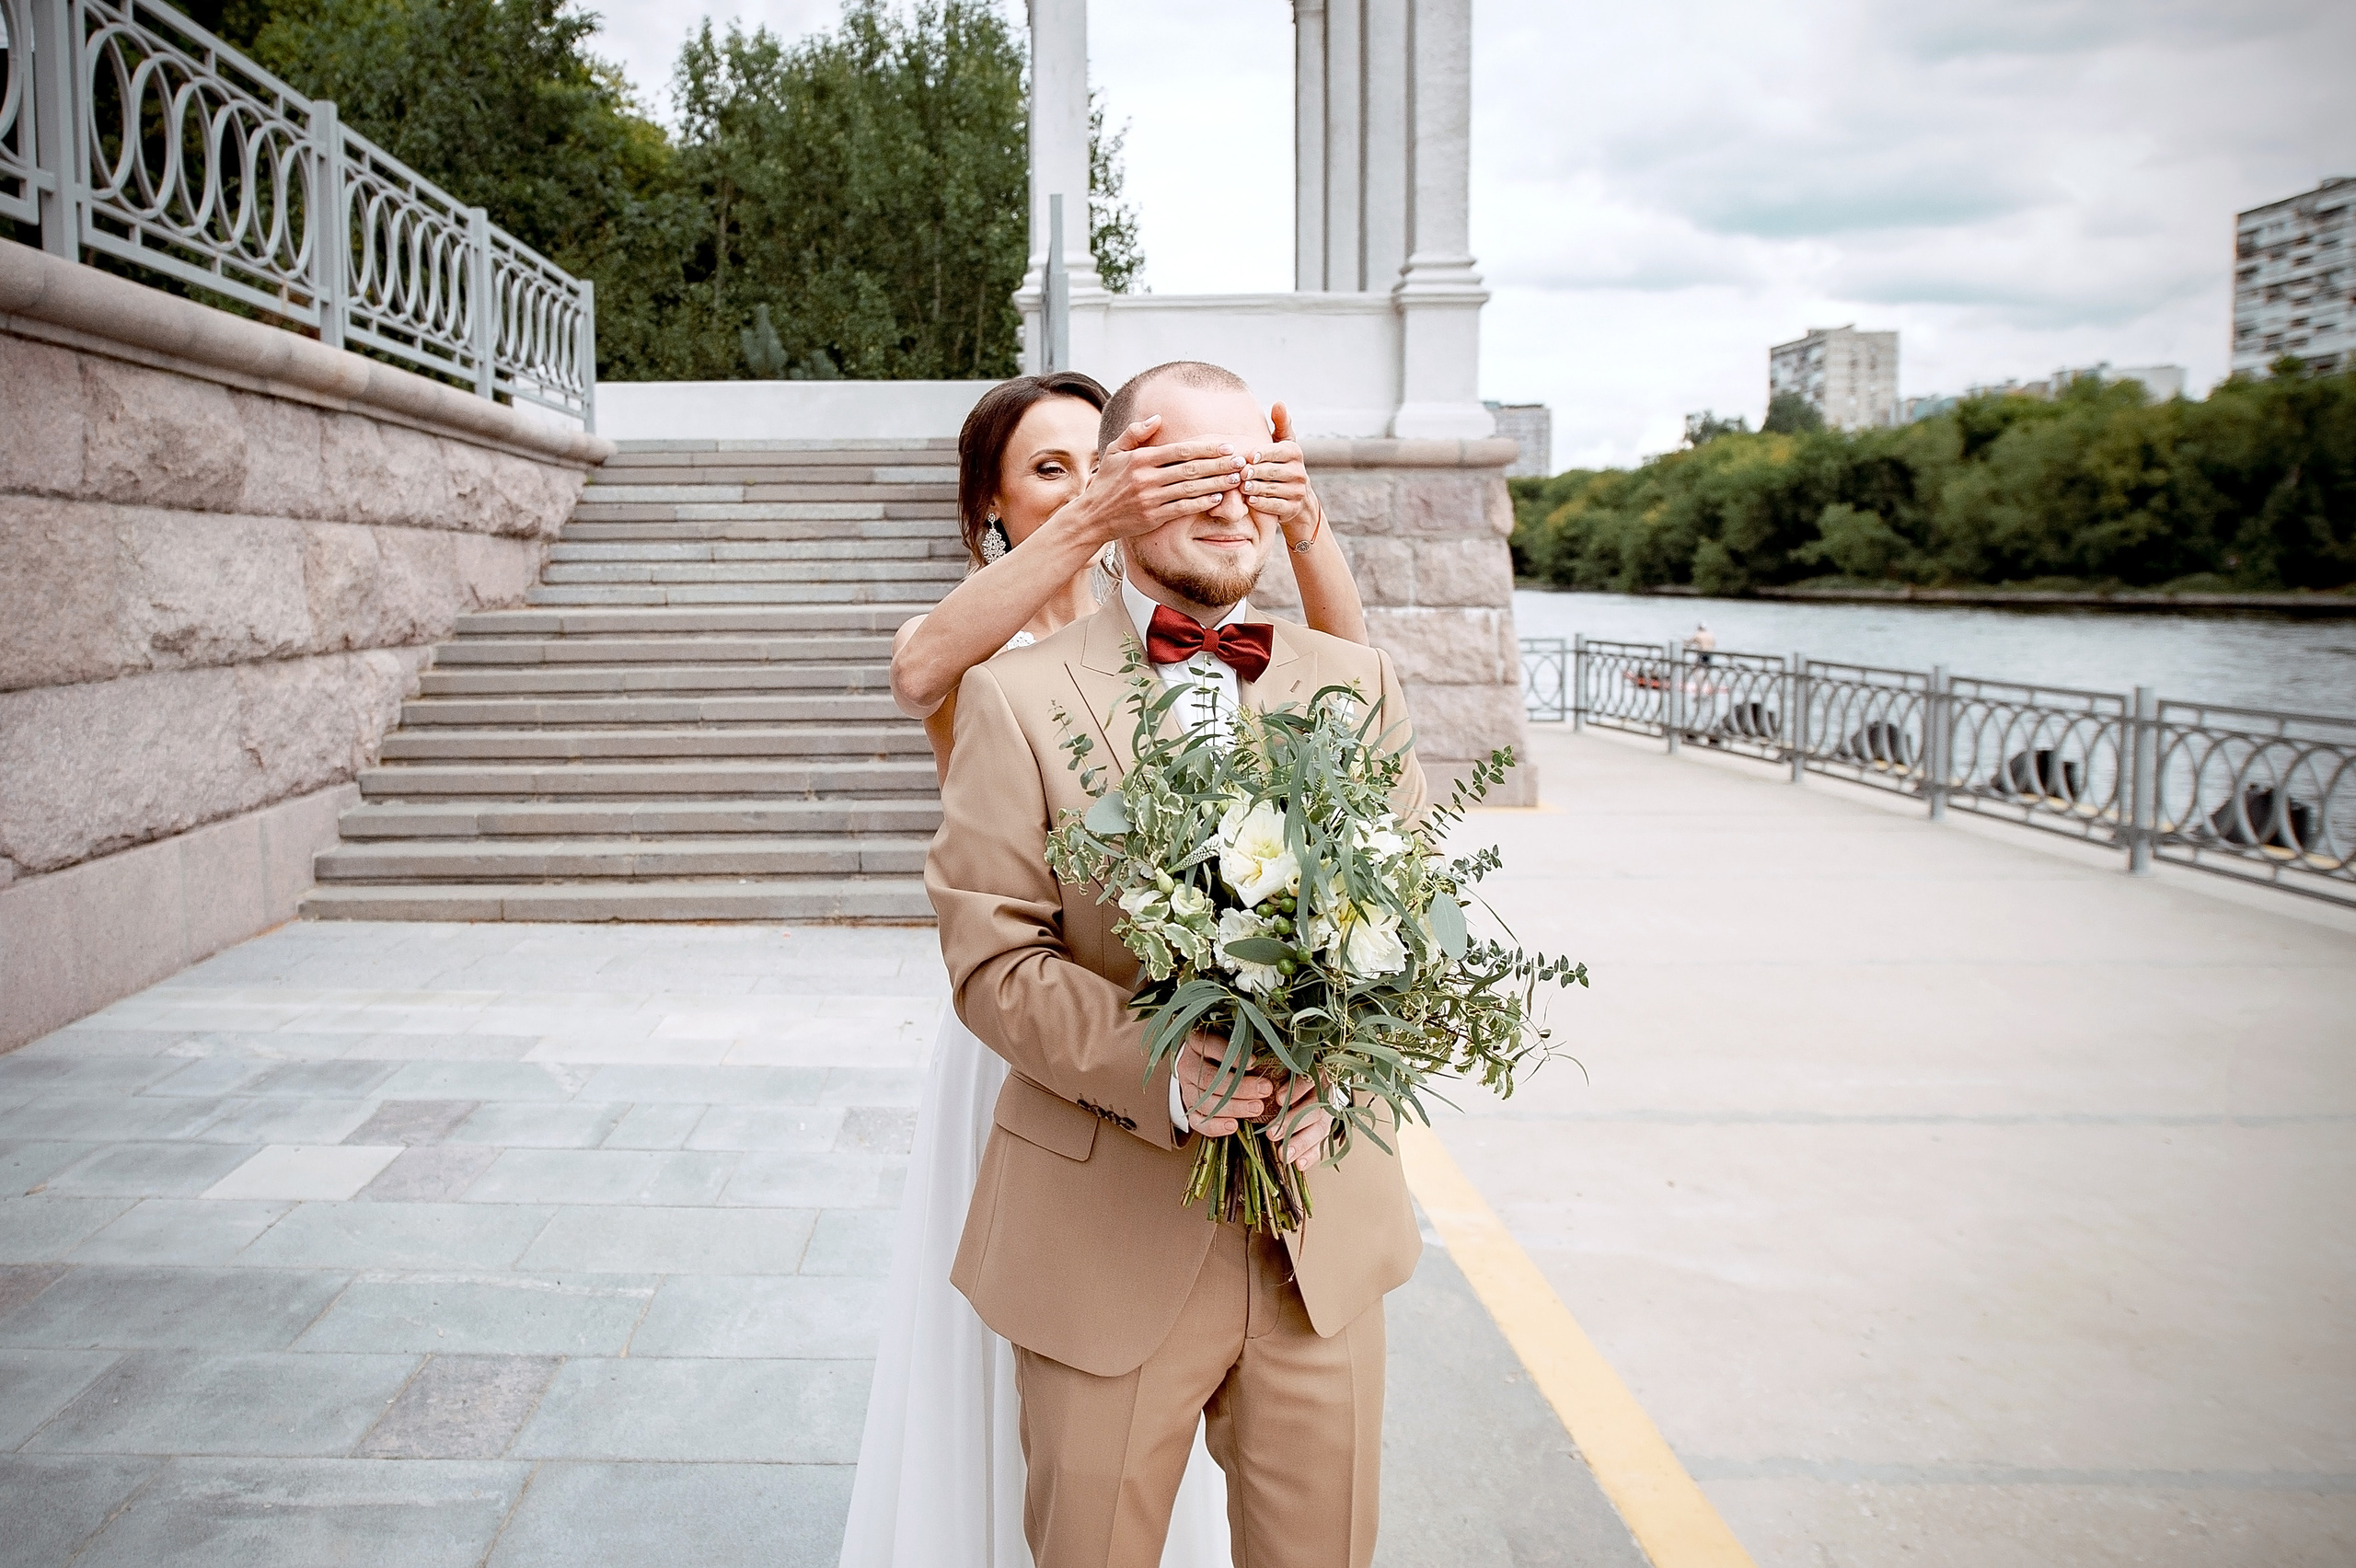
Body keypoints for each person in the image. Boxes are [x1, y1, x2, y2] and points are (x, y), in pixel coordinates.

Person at [838, 365, 1375, 1568]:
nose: (1102, 486)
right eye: (1058, 470)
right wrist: (1106, 515)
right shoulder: (1000, 656)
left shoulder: (1213, 636)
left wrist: (1298, 521)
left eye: (1113, 457)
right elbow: (922, 675)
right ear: (992, 505)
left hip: (1255, 1130)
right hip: (1048, 1063)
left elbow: (1359, 707)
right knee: (1050, 1370)